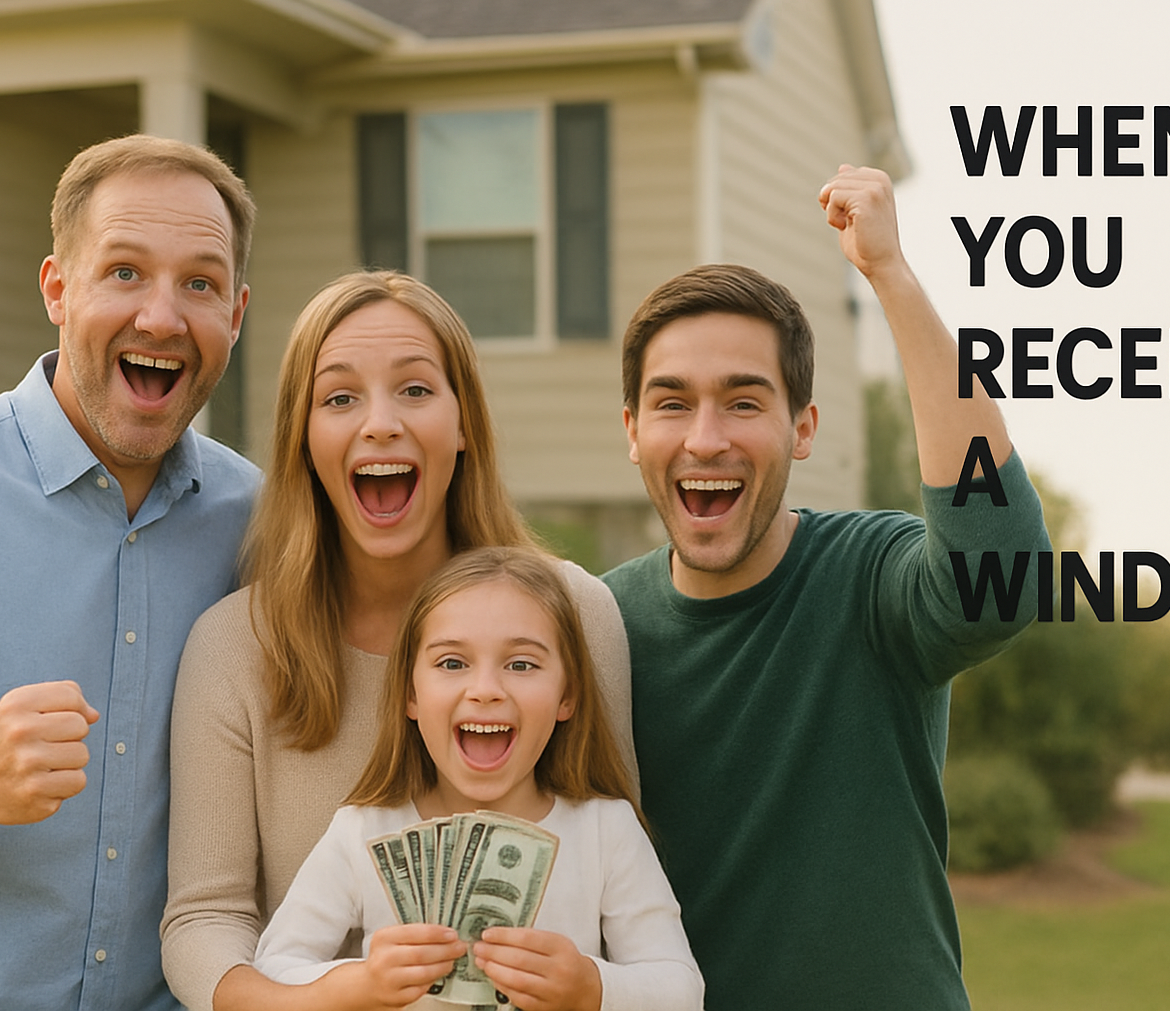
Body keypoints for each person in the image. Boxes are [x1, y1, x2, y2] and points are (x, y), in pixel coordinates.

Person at [601, 165, 1052, 1010]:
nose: (705, 439)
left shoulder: (871, 579)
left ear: (801, 428)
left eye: (744, 402)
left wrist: (892, 276)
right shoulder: (598, 624)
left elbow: (1003, 574)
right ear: (633, 431)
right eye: (672, 404)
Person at [0, 134, 259, 1009]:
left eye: (200, 283)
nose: (161, 316)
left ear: (237, 313)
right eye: (124, 272)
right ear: (57, 289)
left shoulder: (257, 524)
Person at [161, 271, 636, 1011]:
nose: (379, 423)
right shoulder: (233, 646)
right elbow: (205, 919)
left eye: (415, 390)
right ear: (304, 437)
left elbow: (622, 898)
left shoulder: (576, 614)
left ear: (464, 422)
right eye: (340, 397)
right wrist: (329, 1000)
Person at [252, 546, 702, 1011]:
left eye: (521, 664)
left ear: (566, 695)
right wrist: (359, 983)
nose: (485, 690)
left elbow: (680, 988)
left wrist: (592, 987)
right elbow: (272, 970)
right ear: (410, 694)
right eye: (452, 663)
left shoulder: (606, 830)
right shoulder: (362, 831)